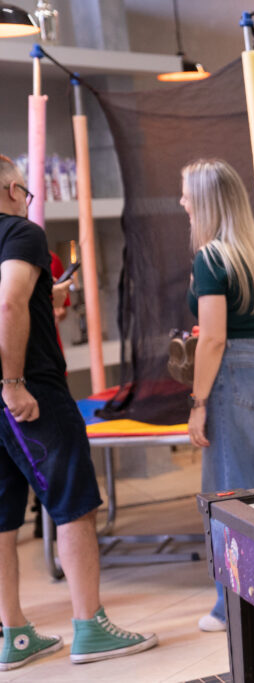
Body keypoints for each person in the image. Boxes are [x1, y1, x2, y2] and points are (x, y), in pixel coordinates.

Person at [0, 153, 158, 670]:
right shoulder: (20, 233)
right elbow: (8, 304)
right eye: (25, 191)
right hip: (30, 392)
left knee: (3, 518)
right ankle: (91, 627)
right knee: (74, 505)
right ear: (8, 192)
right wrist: (14, 382)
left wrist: (47, 300)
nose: (27, 201)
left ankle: (14, 634)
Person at [180, 159, 254, 632]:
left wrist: (198, 402)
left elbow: (212, 339)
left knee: (233, 495)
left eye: (187, 194)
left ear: (205, 201)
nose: (182, 202)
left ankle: (235, 605)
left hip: (233, 377)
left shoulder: (210, 257)